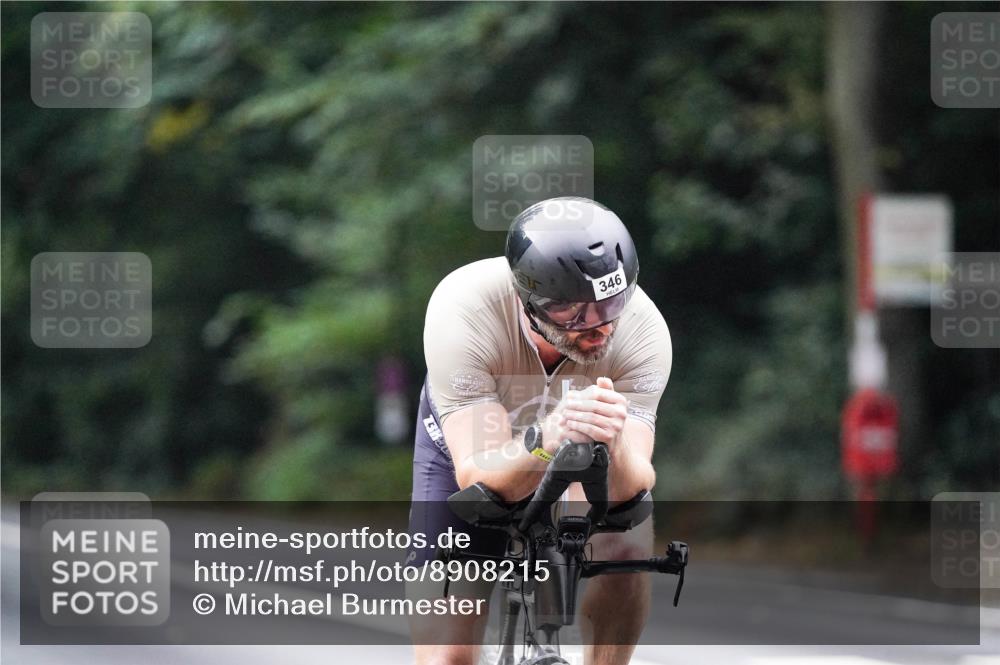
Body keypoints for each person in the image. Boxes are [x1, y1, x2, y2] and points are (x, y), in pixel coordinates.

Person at [407, 196, 672, 665]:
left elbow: (634, 486)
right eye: (573, 313)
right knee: (449, 651)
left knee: (628, 546)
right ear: (526, 301)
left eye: (611, 303)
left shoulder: (644, 331)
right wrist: (548, 438)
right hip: (476, 448)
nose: (599, 329)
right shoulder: (463, 309)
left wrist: (615, 442)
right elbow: (479, 479)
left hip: (583, 448)